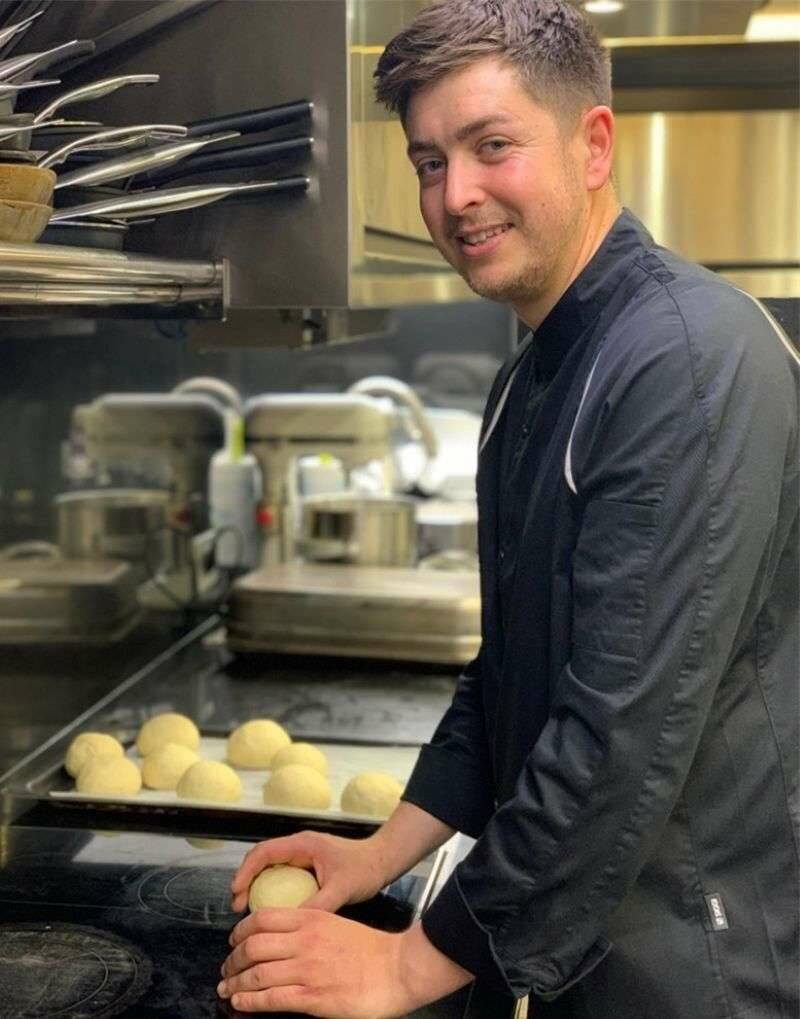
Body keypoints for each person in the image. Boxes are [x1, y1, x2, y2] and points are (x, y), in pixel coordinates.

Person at [218, 1, 800, 1015]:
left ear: (593, 144)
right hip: (594, 933)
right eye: (429, 161)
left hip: (697, 954)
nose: (456, 195)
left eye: (492, 146)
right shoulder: (529, 375)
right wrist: (384, 850)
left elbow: (621, 731)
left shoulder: (685, 359)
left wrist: (410, 962)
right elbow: (511, 672)